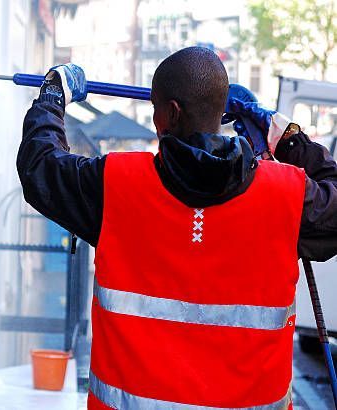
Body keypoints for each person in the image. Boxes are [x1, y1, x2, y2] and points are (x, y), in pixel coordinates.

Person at [17, 47, 337, 409]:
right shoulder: (287, 195)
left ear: (170, 113)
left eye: (155, 109)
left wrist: (52, 96)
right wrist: (290, 140)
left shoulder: (117, 186)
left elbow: (39, 166)